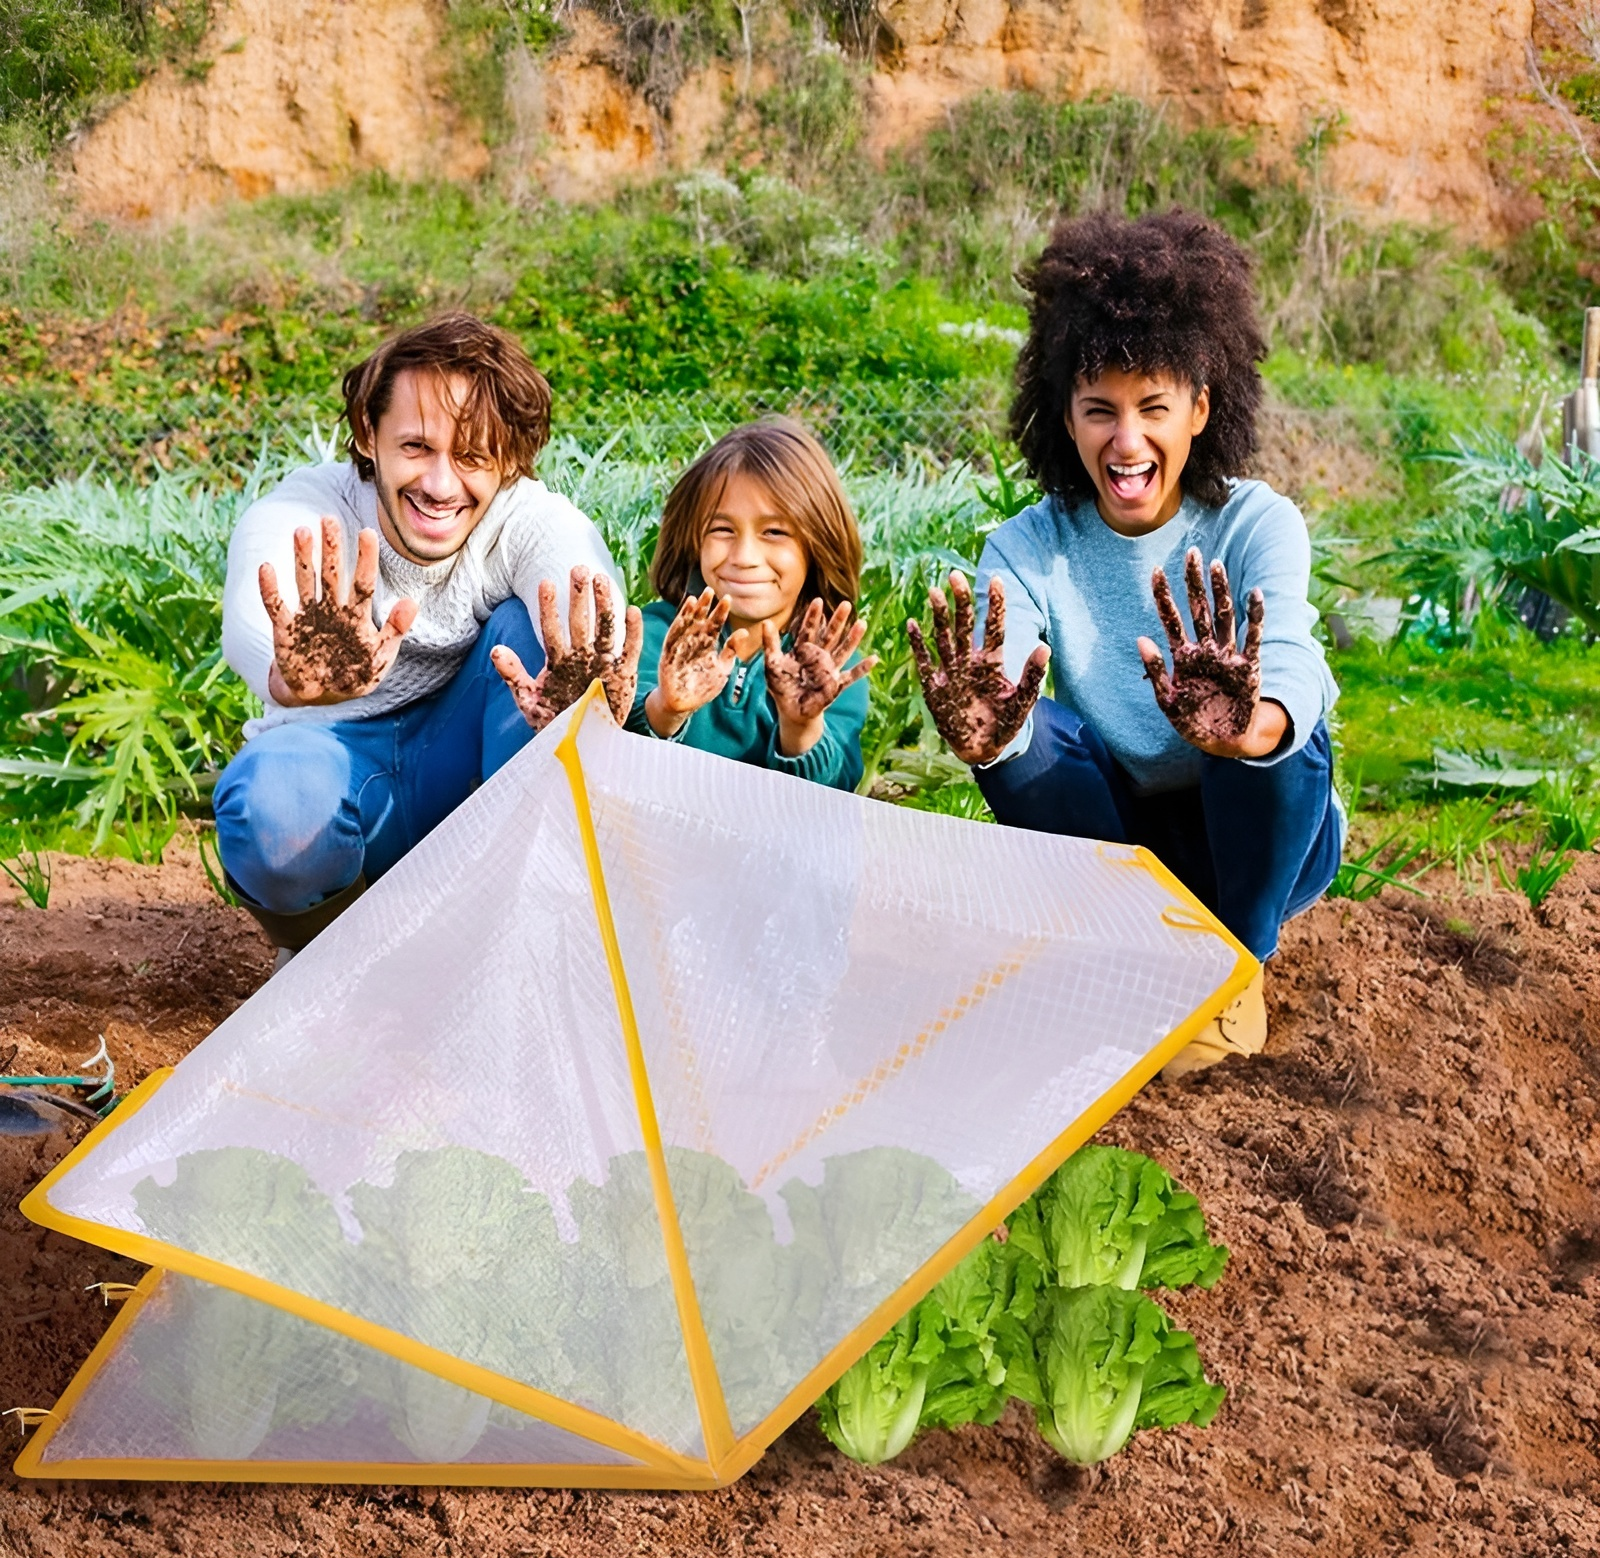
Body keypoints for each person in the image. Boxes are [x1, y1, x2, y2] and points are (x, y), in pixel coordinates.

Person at [907, 209, 1342, 1068]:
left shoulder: (1255, 523)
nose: (1127, 439)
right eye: (1099, 410)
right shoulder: (1029, 546)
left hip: (1256, 839)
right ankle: (1126, 948)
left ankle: (1235, 967)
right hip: (1125, 841)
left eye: (1154, 407)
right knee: (1030, 728)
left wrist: (1241, 728)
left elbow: (1291, 663)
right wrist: (988, 738)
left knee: (1276, 732)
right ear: (1064, 420)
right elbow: (1003, 674)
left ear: (1200, 409)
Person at [216, 311, 639, 959]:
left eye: (471, 457)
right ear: (368, 433)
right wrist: (287, 671)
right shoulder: (312, 509)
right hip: (335, 763)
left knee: (539, 632)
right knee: (274, 809)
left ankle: (512, 947)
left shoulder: (522, 521)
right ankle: (332, 965)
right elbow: (255, 601)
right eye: (416, 447)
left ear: (510, 463)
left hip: (468, 776)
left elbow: (584, 589)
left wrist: (589, 685)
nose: (440, 485)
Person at [623, 419, 875, 790]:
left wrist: (801, 726)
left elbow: (833, 796)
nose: (744, 557)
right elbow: (619, 757)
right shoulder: (657, 635)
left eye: (774, 532)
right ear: (693, 541)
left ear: (819, 547)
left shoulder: (829, 667)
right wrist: (667, 708)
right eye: (722, 530)